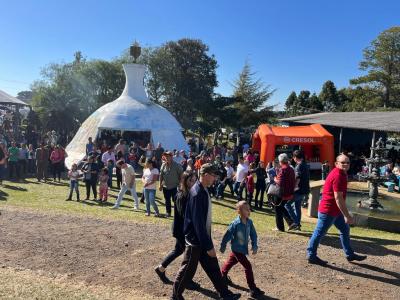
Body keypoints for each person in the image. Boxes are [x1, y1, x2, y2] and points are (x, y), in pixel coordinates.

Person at [171, 163, 241, 300]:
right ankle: (175, 296)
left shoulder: (202, 189)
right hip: (195, 241)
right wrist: (208, 246)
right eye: (214, 175)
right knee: (187, 270)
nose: (215, 178)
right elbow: (198, 223)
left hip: (201, 238)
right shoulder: (197, 193)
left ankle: (225, 294)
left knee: (213, 268)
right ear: (205, 175)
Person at [307, 154, 367, 265]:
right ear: (336, 163)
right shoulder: (338, 175)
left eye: (347, 162)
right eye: (343, 162)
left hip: (336, 211)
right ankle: (311, 255)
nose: (345, 164)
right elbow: (338, 198)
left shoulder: (341, 173)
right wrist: (347, 216)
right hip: (328, 211)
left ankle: (349, 254)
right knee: (319, 233)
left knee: (344, 230)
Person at [155, 171, 200, 289]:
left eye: (195, 180)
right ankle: (186, 279)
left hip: (185, 230)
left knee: (180, 251)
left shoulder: (190, 193)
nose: (193, 182)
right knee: (188, 255)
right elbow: (184, 215)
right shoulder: (181, 196)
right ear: (184, 181)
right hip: (182, 230)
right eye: (191, 180)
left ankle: (161, 269)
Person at [220, 201, 264, 298]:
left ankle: (222, 275)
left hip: (243, 249)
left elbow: (253, 234)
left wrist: (254, 245)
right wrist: (223, 245)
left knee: (231, 261)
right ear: (239, 211)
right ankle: (252, 289)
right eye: (246, 209)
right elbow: (227, 234)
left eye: (249, 209)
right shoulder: (235, 224)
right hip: (236, 249)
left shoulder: (249, 222)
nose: (248, 211)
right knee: (248, 266)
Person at [285, 150, 310, 230]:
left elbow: (298, 178)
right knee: (297, 207)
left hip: (298, 190)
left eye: (293, 157)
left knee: (287, 205)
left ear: (295, 157)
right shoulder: (305, 165)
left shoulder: (299, 166)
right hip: (304, 190)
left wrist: (293, 188)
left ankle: (295, 223)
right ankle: (297, 224)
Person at [273, 153, 295, 232]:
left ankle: (280, 227)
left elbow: (280, 182)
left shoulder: (283, 169)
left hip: (281, 193)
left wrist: (275, 178)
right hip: (289, 192)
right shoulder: (291, 168)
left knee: (277, 208)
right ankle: (291, 222)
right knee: (281, 207)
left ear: (280, 161)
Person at [159, 151, 183, 217]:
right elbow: (161, 175)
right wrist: (160, 184)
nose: (166, 157)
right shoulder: (163, 165)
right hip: (165, 186)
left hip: (175, 186)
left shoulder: (177, 165)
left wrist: (181, 184)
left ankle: (177, 213)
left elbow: (181, 174)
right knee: (167, 200)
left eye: (168, 156)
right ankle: (168, 212)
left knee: (175, 200)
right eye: (165, 156)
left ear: (171, 157)